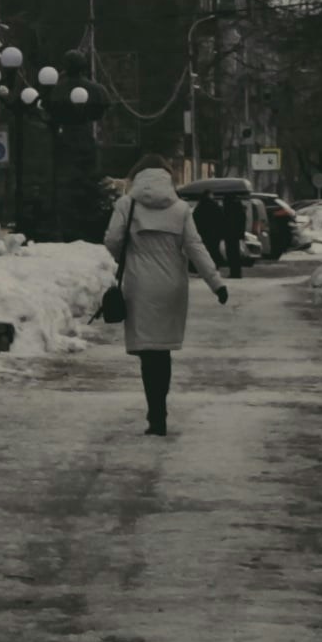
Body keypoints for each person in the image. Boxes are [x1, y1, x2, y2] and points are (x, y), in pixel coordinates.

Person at [103, 157, 228, 437]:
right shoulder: (181, 209)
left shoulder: (127, 205)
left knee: (148, 354)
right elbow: (196, 248)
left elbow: (112, 239)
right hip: (172, 287)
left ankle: (155, 413)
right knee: (163, 351)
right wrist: (216, 283)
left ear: (137, 178)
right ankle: (160, 411)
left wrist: (124, 253)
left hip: (139, 286)